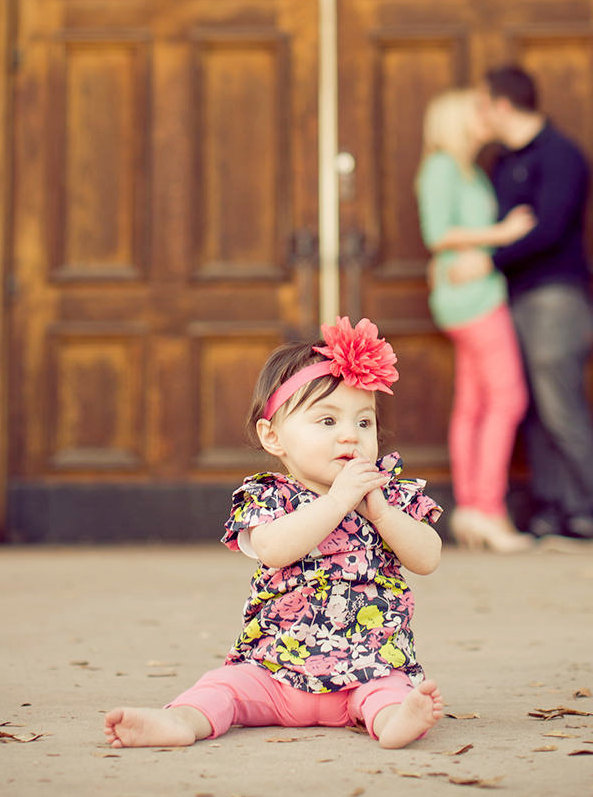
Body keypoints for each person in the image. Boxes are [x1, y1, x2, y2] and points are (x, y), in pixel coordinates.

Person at [104, 316, 444, 751]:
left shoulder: (387, 497)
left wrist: (381, 513)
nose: (350, 435)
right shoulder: (270, 496)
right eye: (326, 421)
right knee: (222, 687)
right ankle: (182, 722)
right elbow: (274, 549)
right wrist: (337, 502)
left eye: (364, 422)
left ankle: (396, 720)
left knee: (389, 691)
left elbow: (427, 557)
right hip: (274, 670)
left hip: (368, 667)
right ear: (274, 437)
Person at [473, 65, 593, 541]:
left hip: (557, 300)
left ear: (503, 105)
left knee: (560, 404)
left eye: (482, 103)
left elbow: (548, 229)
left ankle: (590, 512)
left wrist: (488, 259)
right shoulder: (498, 163)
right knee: (531, 408)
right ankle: (554, 509)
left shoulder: (562, 155)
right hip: (514, 300)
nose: (478, 113)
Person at [415, 88, 536, 553]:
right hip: (473, 298)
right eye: (476, 110)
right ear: (456, 120)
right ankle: (486, 509)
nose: (486, 116)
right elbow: (438, 233)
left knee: (475, 403)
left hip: (471, 292)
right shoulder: (443, 167)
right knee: (507, 400)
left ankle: (472, 509)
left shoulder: (463, 169)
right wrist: (502, 234)